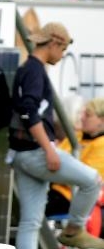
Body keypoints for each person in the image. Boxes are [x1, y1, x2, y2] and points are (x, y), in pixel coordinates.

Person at [8, 22, 104, 249]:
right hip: (37, 152)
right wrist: (48, 149)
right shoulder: (36, 71)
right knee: (91, 180)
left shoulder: (28, 69)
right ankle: (74, 230)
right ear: (53, 43)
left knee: (30, 221)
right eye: (62, 49)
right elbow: (28, 111)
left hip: (19, 154)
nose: (62, 55)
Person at [46, 98, 104, 236]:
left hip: (71, 198)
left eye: (88, 115)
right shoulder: (75, 137)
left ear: (101, 120)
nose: (82, 118)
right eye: (82, 113)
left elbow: (83, 177)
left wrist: (57, 170)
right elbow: (54, 159)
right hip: (53, 189)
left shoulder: (101, 144)